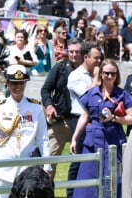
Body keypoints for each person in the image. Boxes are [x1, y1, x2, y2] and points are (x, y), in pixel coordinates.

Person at [70, 59, 132, 198]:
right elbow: (84, 116)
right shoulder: (91, 93)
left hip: (115, 140)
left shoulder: (122, 94)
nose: (109, 76)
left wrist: (114, 118)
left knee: (119, 180)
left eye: (113, 73)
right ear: (101, 74)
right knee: (97, 179)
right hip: (94, 141)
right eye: (106, 73)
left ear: (117, 75)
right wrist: (75, 138)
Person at [0, 65, 50, 198]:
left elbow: (43, 139)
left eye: (21, 83)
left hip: (28, 170)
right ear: (7, 83)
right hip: (3, 168)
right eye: (14, 83)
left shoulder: (36, 108)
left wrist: (47, 165)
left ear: (26, 83)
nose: (17, 87)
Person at [40, 38, 83, 179]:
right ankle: (45, 193)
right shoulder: (60, 68)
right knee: (48, 162)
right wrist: (49, 105)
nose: (74, 55)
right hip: (61, 121)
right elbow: (45, 89)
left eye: (77, 51)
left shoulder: (89, 70)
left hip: (81, 122)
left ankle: (80, 193)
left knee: (83, 160)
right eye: (71, 51)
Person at [66, 43, 102, 198]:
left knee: (93, 160)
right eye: (96, 58)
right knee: (78, 160)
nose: (98, 62)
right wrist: (96, 78)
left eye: (100, 58)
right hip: (79, 119)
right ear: (86, 58)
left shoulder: (98, 74)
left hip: (95, 120)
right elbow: (89, 96)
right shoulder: (75, 76)